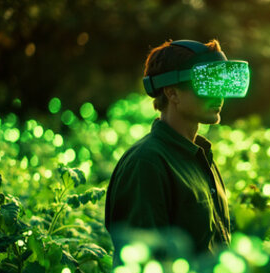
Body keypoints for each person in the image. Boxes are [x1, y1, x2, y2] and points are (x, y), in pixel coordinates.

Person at [104, 39, 250, 261]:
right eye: (207, 85)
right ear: (172, 93)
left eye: (221, 84)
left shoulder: (200, 156)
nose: (218, 95)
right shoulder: (147, 163)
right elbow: (142, 265)